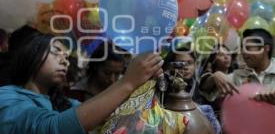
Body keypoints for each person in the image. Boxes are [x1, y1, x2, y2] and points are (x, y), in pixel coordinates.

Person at [0, 25, 164, 134]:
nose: (64, 60)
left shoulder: (64, 103)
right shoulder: (7, 96)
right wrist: (128, 82)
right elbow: (52, 128)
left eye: (66, 56)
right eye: (56, 52)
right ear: (32, 54)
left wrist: (144, 84)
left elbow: (110, 117)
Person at [199, 28, 275, 134]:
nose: (243, 52)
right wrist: (215, 76)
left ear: (266, 48)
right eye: (242, 48)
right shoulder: (238, 77)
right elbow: (205, 88)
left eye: (248, 48)